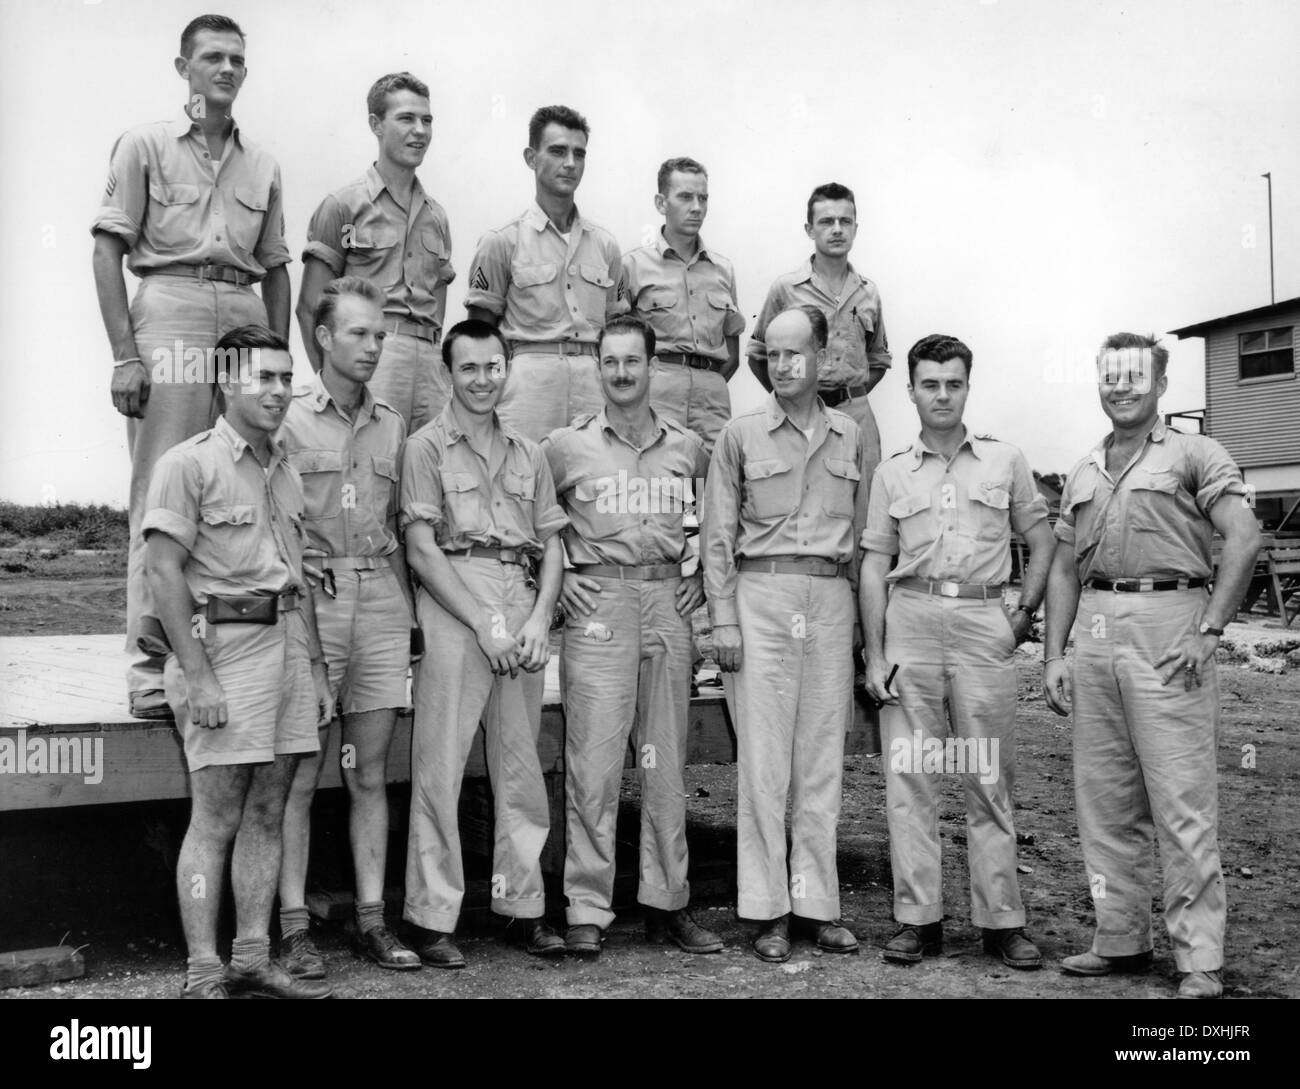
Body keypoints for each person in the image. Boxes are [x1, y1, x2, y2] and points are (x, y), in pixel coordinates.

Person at [1043, 333, 1260, 1000]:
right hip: (1098, 630)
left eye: (1136, 375)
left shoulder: (1196, 452)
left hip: (1171, 622)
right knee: (1106, 800)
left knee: (1181, 799)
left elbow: (1245, 535)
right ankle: (1119, 939)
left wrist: (1209, 629)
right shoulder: (1083, 467)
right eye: (1111, 375)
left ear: (1161, 384)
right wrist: (1054, 652)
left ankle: (1199, 958)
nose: (1122, 386)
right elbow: (1061, 566)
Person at [93, 14, 291, 720]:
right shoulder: (144, 145)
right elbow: (107, 250)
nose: (227, 68)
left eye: (238, 58)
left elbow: (274, 265)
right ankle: (150, 670)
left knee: (239, 484)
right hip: (170, 308)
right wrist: (125, 353)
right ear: (183, 68)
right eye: (212, 57)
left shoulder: (262, 161)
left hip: (241, 314)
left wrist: (274, 347)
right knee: (163, 492)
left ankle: (227, 659)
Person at [143, 325, 332, 1000]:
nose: (280, 390)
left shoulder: (283, 465)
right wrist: (197, 674)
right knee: (216, 815)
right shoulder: (187, 464)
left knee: (269, 808)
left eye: (286, 378)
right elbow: (162, 574)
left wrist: (312, 669)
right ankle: (202, 970)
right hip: (222, 652)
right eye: (265, 377)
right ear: (226, 381)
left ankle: (252, 956)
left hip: (283, 650)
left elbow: (296, 575)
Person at [860, 334, 1054, 970]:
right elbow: (874, 564)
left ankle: (1002, 921)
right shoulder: (892, 471)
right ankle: (919, 919)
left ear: (968, 387)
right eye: (929, 383)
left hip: (982, 619)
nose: (941, 395)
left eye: (953, 383)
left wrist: (1021, 615)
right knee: (910, 777)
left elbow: (1042, 538)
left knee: (987, 775)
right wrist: (875, 651)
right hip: (910, 619)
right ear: (910, 388)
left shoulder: (1004, 460)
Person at [542, 315, 722, 958]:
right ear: (598, 367)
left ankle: (666, 904)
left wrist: (705, 576)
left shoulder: (689, 448)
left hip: (668, 602)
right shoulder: (566, 447)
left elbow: (723, 518)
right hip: (600, 606)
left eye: (632, 361)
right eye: (610, 362)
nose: (621, 373)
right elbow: (530, 520)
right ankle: (587, 907)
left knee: (664, 763)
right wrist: (554, 579)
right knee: (593, 765)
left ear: (652, 367)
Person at [701, 305, 868, 963]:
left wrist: (862, 632)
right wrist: (721, 618)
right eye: (772, 353)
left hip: (828, 598)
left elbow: (863, 540)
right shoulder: (739, 435)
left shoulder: (850, 434)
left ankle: (816, 906)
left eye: (796, 353)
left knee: (821, 759)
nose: (784, 364)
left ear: (823, 357)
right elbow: (716, 536)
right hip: (760, 598)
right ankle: (768, 910)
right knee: (765, 763)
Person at [400, 319, 567, 967]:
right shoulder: (425, 448)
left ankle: (521, 906)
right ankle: (432, 914)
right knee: (439, 764)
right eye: (469, 368)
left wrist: (539, 617)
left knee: (521, 766)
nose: (482, 379)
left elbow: (552, 542)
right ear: (449, 372)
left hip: (519, 596)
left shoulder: (529, 451)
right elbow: (419, 546)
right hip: (454, 594)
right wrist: (481, 621)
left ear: (507, 370)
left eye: (493, 367)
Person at [277, 278, 420, 978]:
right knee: (299, 775)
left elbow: (398, 527)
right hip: (315, 597)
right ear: (325, 337)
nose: (372, 346)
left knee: (368, 771)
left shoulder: (392, 422)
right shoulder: (289, 418)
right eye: (359, 333)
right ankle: (294, 928)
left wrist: (407, 614)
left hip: (379, 599)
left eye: (380, 335)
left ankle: (372, 919)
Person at [296, 72, 455, 434]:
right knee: (370, 472)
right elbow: (310, 306)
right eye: (406, 118)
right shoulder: (343, 205)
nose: (420, 130)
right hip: (372, 357)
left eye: (426, 120)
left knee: (427, 476)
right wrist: (333, 382)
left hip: (430, 368)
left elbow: (438, 308)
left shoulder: (438, 217)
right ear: (376, 124)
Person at [464, 105, 625, 442]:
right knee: (521, 484)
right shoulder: (501, 242)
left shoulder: (606, 246)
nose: (570, 163)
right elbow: (480, 337)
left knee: (593, 485)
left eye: (578, 153)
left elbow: (618, 334)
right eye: (557, 151)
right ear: (531, 157)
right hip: (528, 387)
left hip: (592, 385)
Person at [746, 182, 890, 474]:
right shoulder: (786, 289)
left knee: (862, 500)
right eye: (826, 221)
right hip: (801, 412)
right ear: (809, 230)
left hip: (856, 413)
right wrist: (793, 395)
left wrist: (851, 394)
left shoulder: (868, 292)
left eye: (845, 221)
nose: (837, 229)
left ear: (855, 228)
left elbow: (878, 359)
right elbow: (758, 355)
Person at [621, 157, 744, 454]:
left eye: (703, 198)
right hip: (658, 393)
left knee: (710, 486)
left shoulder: (722, 270)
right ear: (661, 203)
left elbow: (733, 353)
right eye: (685, 197)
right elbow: (618, 346)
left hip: (712, 399)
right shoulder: (633, 266)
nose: (697, 207)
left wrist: (702, 380)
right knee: (657, 481)